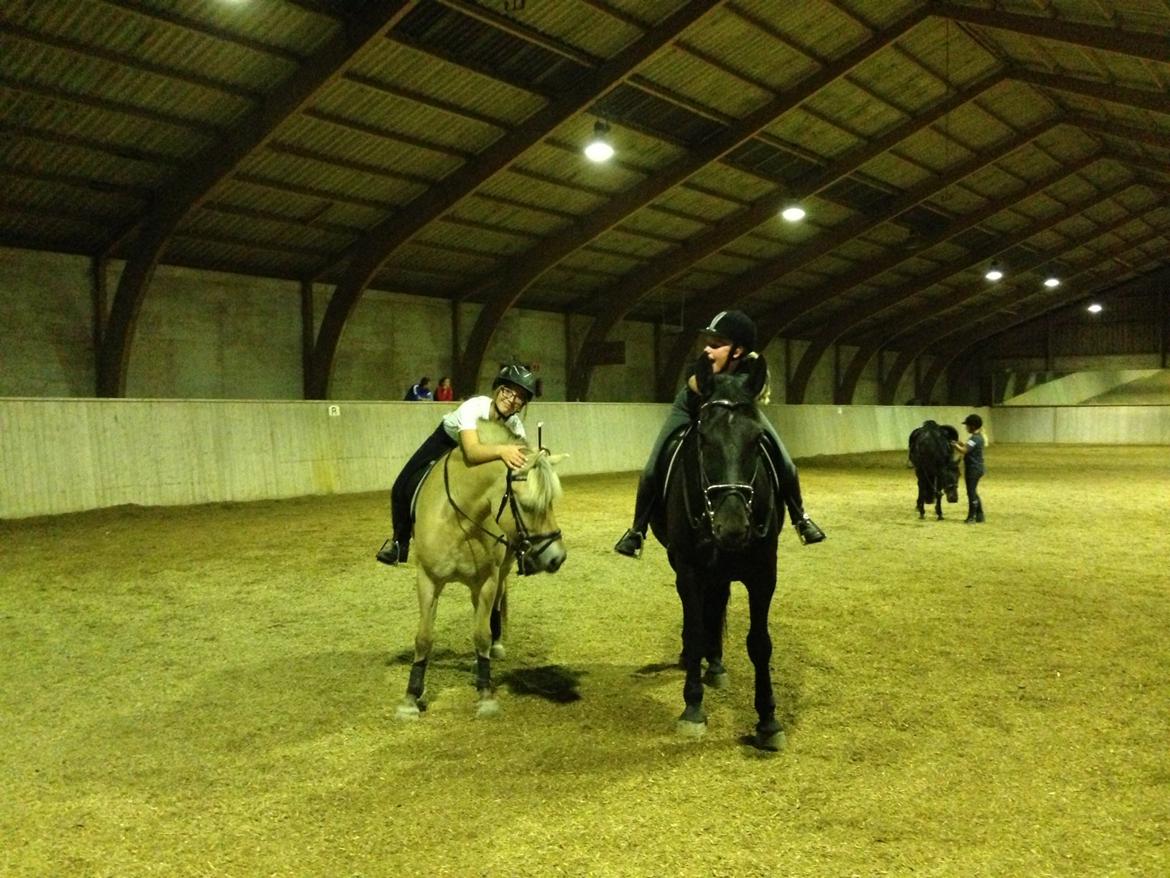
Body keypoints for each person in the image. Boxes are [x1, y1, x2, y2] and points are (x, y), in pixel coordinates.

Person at [614, 310, 825, 558]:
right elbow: (693, 381)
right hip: (690, 407)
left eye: (716, 345)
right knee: (652, 467)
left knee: (785, 461)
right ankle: (637, 532)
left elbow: (755, 386)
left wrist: (730, 389)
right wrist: (708, 384)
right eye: (707, 344)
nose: (707, 350)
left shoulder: (751, 368)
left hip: (739, 410)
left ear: (737, 351)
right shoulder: (702, 366)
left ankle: (801, 518)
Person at [377, 364, 536, 565]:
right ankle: (399, 544)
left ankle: (523, 545)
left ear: (523, 404)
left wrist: (537, 456)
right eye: (508, 391)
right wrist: (503, 450)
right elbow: (471, 452)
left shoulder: (515, 426)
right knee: (402, 484)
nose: (511, 399)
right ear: (498, 389)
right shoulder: (474, 407)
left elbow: (523, 459)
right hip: (447, 441)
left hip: (484, 453)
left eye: (519, 396)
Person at [953, 413, 986, 523]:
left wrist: (954, 445)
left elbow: (964, 451)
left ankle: (971, 516)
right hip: (978, 467)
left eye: (967, 425)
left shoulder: (974, 438)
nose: (966, 428)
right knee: (974, 491)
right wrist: (960, 443)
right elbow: (967, 447)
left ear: (972, 426)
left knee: (971, 492)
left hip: (973, 468)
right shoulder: (978, 437)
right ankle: (980, 515)